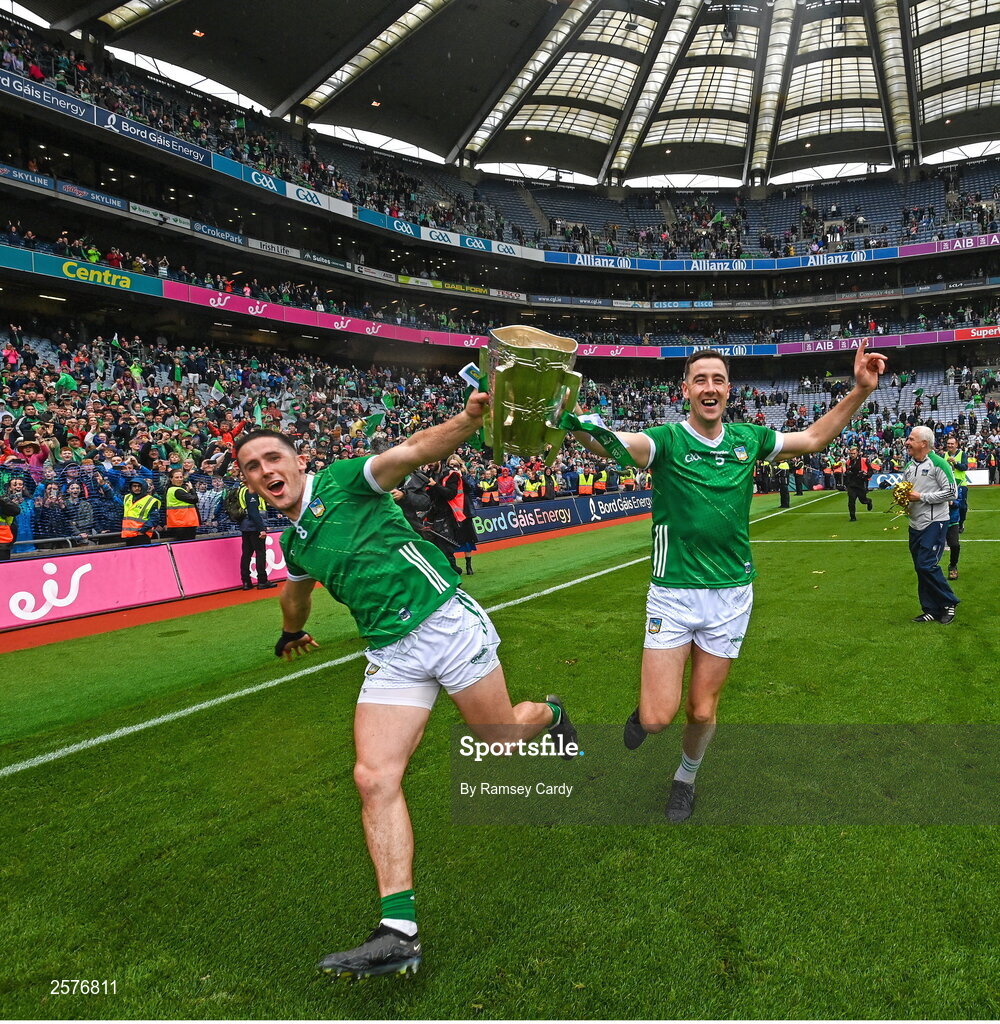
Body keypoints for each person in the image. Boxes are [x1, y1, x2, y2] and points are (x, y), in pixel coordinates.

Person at [234, 392, 577, 979]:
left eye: (273, 458)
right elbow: (295, 588)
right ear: (248, 482)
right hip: (390, 652)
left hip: (443, 622)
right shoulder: (295, 541)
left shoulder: (345, 481)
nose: (266, 471)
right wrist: (290, 632)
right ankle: (399, 931)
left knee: (500, 742)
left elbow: (414, 451)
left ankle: (548, 712)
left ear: (299, 462)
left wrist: (470, 419)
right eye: (251, 467)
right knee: (373, 776)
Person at [571, 342, 886, 823]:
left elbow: (815, 438)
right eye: (700, 380)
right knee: (657, 718)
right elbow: (612, 442)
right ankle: (646, 712)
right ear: (686, 390)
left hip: (732, 596)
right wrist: (572, 416)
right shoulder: (667, 441)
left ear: (728, 389)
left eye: (717, 379)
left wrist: (860, 391)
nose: (710, 387)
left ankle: (686, 777)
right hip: (674, 593)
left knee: (701, 710)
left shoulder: (749, 437)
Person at [902, 425, 959, 623]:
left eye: (910, 439)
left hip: (935, 521)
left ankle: (948, 602)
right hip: (915, 522)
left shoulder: (938, 463)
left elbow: (952, 493)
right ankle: (930, 609)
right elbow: (908, 491)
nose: (906, 442)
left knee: (926, 564)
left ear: (923, 443)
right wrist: (903, 500)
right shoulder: (909, 466)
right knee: (920, 567)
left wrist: (921, 497)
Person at [236, 476, 276, 590]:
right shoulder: (251, 491)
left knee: (246, 554)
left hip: (245, 526)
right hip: (254, 526)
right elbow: (254, 512)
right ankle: (262, 581)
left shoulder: (241, 489)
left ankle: (246, 581)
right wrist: (261, 528)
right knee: (260, 553)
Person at [443, 455, 478, 575]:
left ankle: (469, 565)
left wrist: (461, 476)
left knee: (468, 539)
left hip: (465, 510)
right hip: (451, 510)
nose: (453, 467)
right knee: (451, 539)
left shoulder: (465, 475)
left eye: (455, 464)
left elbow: (471, 488)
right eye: (451, 465)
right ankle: (454, 566)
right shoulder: (446, 475)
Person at [164, 468, 200, 541]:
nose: (180, 479)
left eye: (181, 477)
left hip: (180, 523)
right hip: (184, 524)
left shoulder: (172, 489)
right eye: (176, 477)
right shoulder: (177, 491)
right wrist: (192, 489)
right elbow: (195, 499)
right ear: (171, 479)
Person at [121, 478, 159, 546]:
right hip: (128, 535)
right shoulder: (127, 497)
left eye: (139, 486)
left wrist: (142, 531)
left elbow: (154, 518)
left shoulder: (151, 500)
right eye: (134, 486)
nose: (137, 488)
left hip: (142, 536)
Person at [943, 436, 969, 533]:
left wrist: (955, 463)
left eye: (952, 444)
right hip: (947, 484)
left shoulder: (962, 454)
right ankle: (949, 525)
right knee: (948, 505)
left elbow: (965, 467)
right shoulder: (944, 455)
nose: (950, 445)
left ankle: (961, 522)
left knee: (962, 506)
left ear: (956, 444)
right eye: (948, 443)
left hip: (960, 484)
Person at [844, 445, 873, 520]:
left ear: (858, 453)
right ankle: (852, 517)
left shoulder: (864, 460)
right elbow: (846, 472)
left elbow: (870, 471)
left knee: (863, 500)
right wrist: (847, 473)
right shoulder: (848, 462)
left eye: (854, 453)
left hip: (860, 484)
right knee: (851, 501)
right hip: (852, 484)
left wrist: (866, 475)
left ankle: (868, 501)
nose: (852, 455)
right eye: (851, 453)